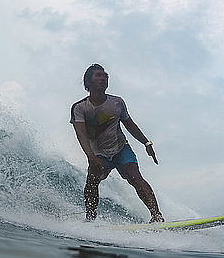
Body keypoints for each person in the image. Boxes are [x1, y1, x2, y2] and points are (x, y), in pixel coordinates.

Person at [70, 63, 164, 223]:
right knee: (92, 181)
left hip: (121, 149)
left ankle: (157, 216)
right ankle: (90, 220)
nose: (103, 78)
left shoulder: (117, 102)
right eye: (98, 75)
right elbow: (81, 135)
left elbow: (130, 125)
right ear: (88, 81)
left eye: (105, 75)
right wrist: (91, 157)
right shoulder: (80, 108)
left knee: (134, 176)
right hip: (98, 153)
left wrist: (146, 142)